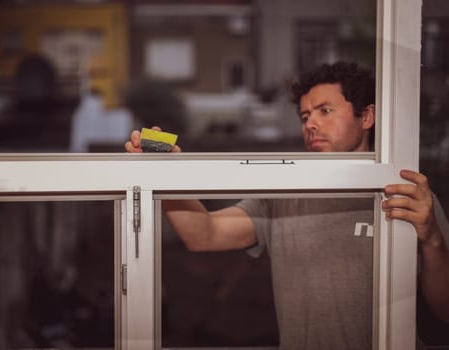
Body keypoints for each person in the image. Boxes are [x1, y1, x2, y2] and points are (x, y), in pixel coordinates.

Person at [125, 61, 449, 349]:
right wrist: (164, 172)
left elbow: (445, 311)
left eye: (325, 111)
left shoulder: (406, 197)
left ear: (366, 116)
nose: (310, 124)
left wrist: (433, 239)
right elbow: (204, 234)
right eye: (305, 115)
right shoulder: (284, 196)